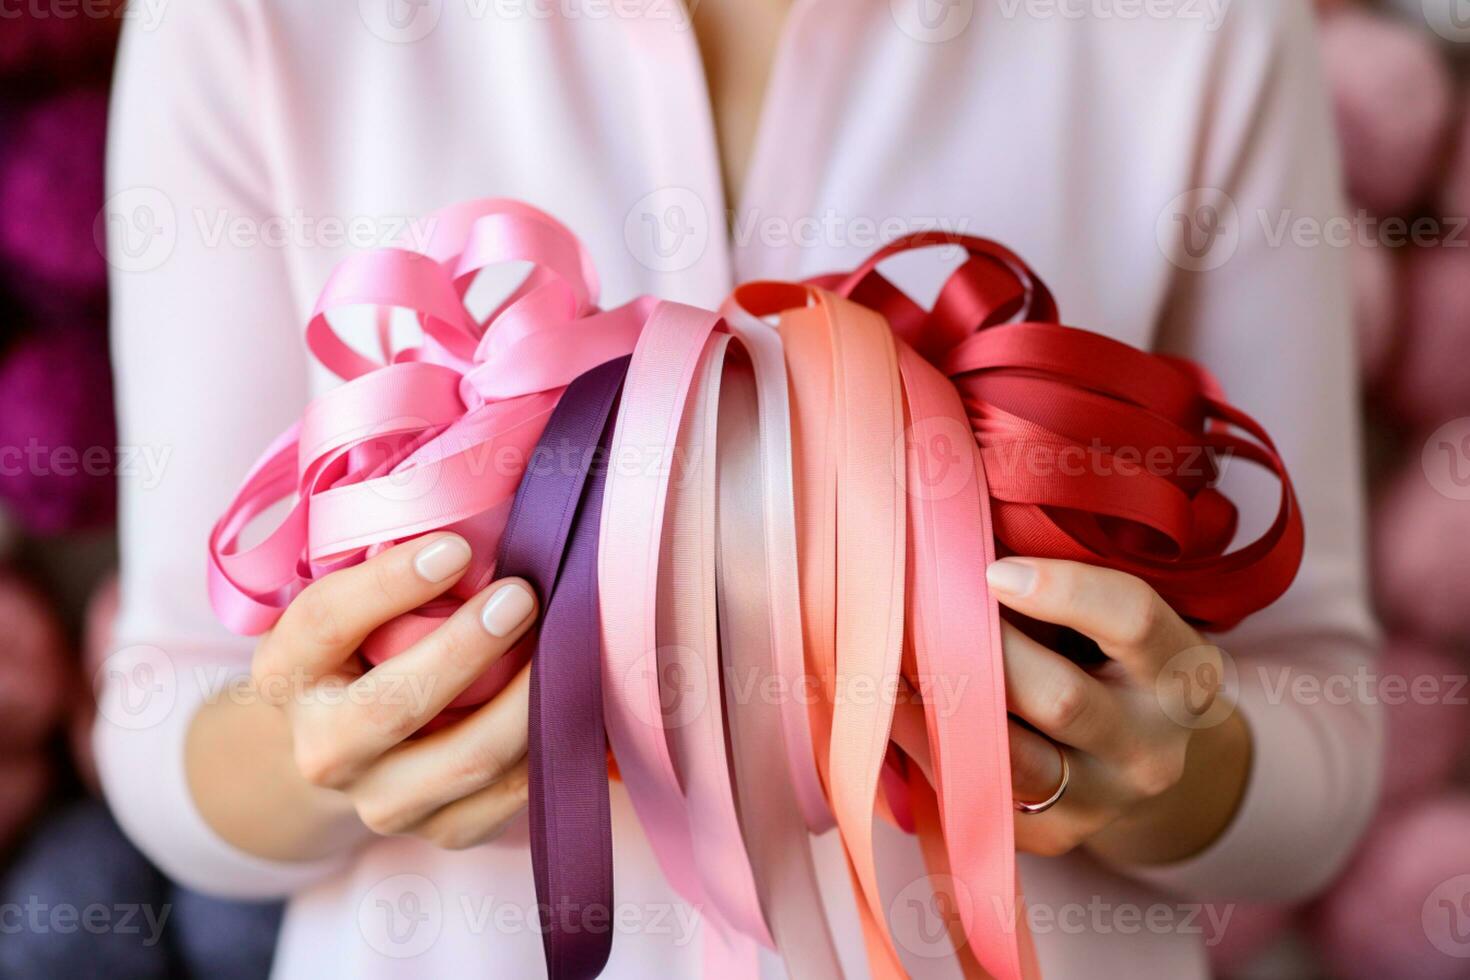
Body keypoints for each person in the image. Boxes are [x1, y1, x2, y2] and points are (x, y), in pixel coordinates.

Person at [98, 1, 1382, 976]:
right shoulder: (250, 22)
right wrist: (318, 748)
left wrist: (1167, 767)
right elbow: (165, 713)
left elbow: (1320, 727)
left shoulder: (1202, 24)